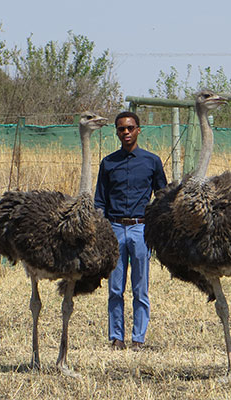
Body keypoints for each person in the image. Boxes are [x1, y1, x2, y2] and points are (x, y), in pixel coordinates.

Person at [94, 111, 167, 351]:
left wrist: (157, 226)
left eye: (129, 128)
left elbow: (163, 196)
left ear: (138, 130)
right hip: (114, 228)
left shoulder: (151, 161)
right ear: (117, 132)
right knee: (115, 288)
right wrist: (100, 230)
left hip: (140, 229)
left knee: (140, 287)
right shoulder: (108, 163)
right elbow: (100, 201)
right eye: (121, 129)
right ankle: (117, 337)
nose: (125, 132)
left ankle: (138, 338)